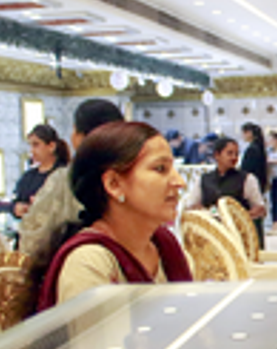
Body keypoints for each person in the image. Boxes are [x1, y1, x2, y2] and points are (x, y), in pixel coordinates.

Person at [37, 122, 191, 309]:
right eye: (160, 168)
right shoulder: (89, 263)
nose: (179, 182)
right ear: (114, 184)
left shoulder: (164, 245)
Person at [19, 98, 124, 261]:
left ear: (78, 137)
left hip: (76, 267)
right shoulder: (132, 177)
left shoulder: (65, 180)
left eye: (36, 144)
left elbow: (33, 240)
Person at [184, 137, 268, 238]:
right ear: (217, 155)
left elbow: (260, 209)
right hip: (212, 236)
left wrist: (240, 218)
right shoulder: (203, 180)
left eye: (236, 154)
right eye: (229, 153)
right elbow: (191, 206)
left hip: (239, 235)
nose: (234, 157)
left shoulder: (248, 179)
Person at [13, 123, 70, 218]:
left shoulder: (64, 175)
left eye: (36, 145)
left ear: (51, 146)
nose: (32, 150)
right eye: (30, 145)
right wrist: (17, 208)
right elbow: (15, 200)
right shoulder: (28, 177)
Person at [239, 122, 268, 249]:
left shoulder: (252, 149)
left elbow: (247, 169)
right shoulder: (259, 147)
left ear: (249, 133)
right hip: (258, 184)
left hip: (251, 187)